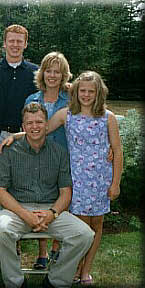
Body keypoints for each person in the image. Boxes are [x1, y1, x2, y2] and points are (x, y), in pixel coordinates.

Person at [0, 102, 95, 288]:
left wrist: (52, 213)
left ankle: (56, 281)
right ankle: (15, 281)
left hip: (50, 210)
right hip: (17, 209)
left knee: (84, 235)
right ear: (23, 127)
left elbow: (66, 192)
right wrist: (25, 215)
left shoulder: (60, 153)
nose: (34, 126)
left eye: (39, 122)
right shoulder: (9, 151)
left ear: (47, 125)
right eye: (29, 123)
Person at [43, 71, 123, 285]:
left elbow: (117, 150)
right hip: (77, 181)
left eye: (91, 91)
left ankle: (85, 269)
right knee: (81, 228)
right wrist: (16, 136)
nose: (86, 95)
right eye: (83, 91)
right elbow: (41, 131)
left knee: (97, 225)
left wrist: (115, 183)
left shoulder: (108, 117)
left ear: (99, 94)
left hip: (100, 181)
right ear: (76, 92)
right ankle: (75, 267)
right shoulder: (66, 114)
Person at [24, 51, 72, 270]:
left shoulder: (71, 98)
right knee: (41, 200)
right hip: (37, 157)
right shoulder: (32, 99)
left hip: (64, 156)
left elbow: (95, 115)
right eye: (49, 71)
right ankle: (42, 252)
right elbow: (26, 128)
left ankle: (56, 247)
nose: (52, 75)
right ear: (42, 74)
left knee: (61, 200)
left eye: (57, 72)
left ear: (64, 75)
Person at [0, 24, 38, 145]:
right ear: (4, 43)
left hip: (27, 136)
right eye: (11, 41)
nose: (15, 45)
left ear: (25, 44)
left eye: (19, 41)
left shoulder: (36, 73)